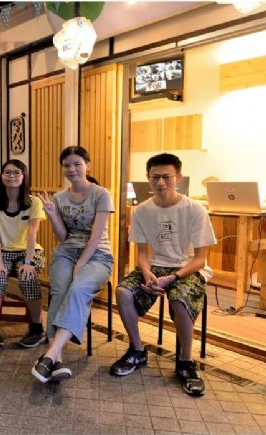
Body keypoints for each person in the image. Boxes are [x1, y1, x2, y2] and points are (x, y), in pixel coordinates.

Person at [110, 152, 215, 397]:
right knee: (123, 292)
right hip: (155, 266)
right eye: (155, 177)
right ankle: (137, 350)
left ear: (178, 177)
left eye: (166, 177)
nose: (160, 182)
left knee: (179, 298)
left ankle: (186, 361)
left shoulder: (195, 210)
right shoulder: (142, 211)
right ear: (148, 178)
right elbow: (142, 253)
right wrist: (147, 273)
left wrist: (173, 277)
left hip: (188, 268)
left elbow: (200, 259)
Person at [32, 146, 114, 383]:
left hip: (98, 255)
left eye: (77, 164)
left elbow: (96, 237)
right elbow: (62, 237)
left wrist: (81, 263)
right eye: (67, 165)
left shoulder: (101, 194)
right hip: (66, 252)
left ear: (88, 165)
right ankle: (56, 359)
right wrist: (52, 214)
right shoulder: (59, 198)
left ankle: (48, 355)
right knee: (59, 292)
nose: (72, 169)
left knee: (78, 289)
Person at [0, 159, 46, 348]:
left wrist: (28, 262)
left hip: (29, 251)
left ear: (24, 176)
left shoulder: (34, 202)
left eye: (16, 172)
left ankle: (37, 328)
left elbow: (32, 234)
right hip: (1, 251)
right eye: (7, 172)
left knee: (28, 277)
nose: (11, 176)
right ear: (1, 176)